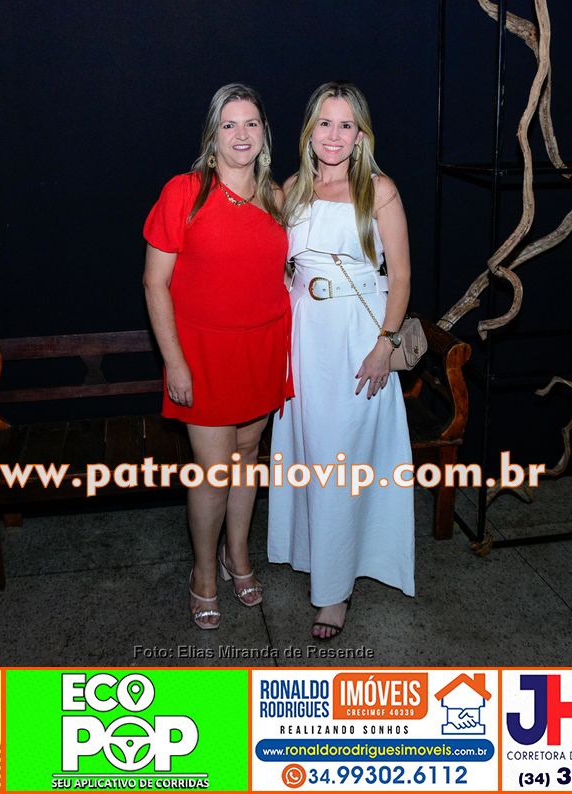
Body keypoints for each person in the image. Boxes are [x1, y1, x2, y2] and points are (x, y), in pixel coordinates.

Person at [267, 81, 414, 640]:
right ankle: (315, 555)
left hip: (357, 339)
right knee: (308, 453)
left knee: (341, 460)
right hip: (304, 338)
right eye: (324, 123)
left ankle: (334, 591)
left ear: (360, 135)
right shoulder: (290, 190)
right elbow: (278, 268)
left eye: (346, 125)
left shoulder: (379, 190)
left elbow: (401, 277)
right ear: (309, 132)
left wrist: (385, 345)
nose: (334, 135)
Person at [143, 83, 291, 629]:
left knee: (247, 457)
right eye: (229, 124)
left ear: (265, 134)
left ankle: (238, 557)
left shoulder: (277, 198)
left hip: (262, 349)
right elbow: (155, 283)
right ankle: (204, 573)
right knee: (213, 470)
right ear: (213, 134)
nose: (241, 134)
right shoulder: (184, 193)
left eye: (251, 123)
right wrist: (175, 362)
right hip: (203, 355)